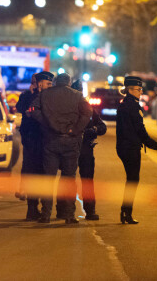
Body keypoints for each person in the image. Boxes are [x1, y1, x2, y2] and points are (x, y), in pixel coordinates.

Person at [30, 73, 92, 224]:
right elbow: (88, 112)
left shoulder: (45, 94)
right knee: (69, 179)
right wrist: (76, 129)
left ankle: (45, 215)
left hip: (51, 140)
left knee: (49, 179)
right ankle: (69, 215)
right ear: (69, 83)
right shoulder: (77, 95)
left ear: (56, 82)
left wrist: (46, 122)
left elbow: (33, 109)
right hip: (71, 142)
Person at [116, 75, 157, 224]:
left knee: (132, 179)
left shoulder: (125, 104)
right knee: (133, 179)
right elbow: (139, 128)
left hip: (124, 146)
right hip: (130, 147)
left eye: (141, 89)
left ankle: (126, 212)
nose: (141, 92)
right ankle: (126, 213)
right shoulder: (132, 106)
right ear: (129, 89)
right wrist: (149, 142)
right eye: (138, 89)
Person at [15, 71, 54, 221]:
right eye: (48, 83)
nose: (50, 86)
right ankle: (32, 209)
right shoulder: (27, 96)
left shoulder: (51, 96)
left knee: (43, 174)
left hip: (46, 140)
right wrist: (32, 95)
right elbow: (20, 107)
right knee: (32, 173)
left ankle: (42, 209)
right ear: (39, 84)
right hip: (32, 140)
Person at [71, 79, 106, 220]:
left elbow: (102, 126)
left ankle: (90, 210)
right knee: (69, 180)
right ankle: (67, 211)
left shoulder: (89, 109)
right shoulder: (69, 109)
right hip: (72, 149)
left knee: (87, 181)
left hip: (85, 149)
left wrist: (94, 129)